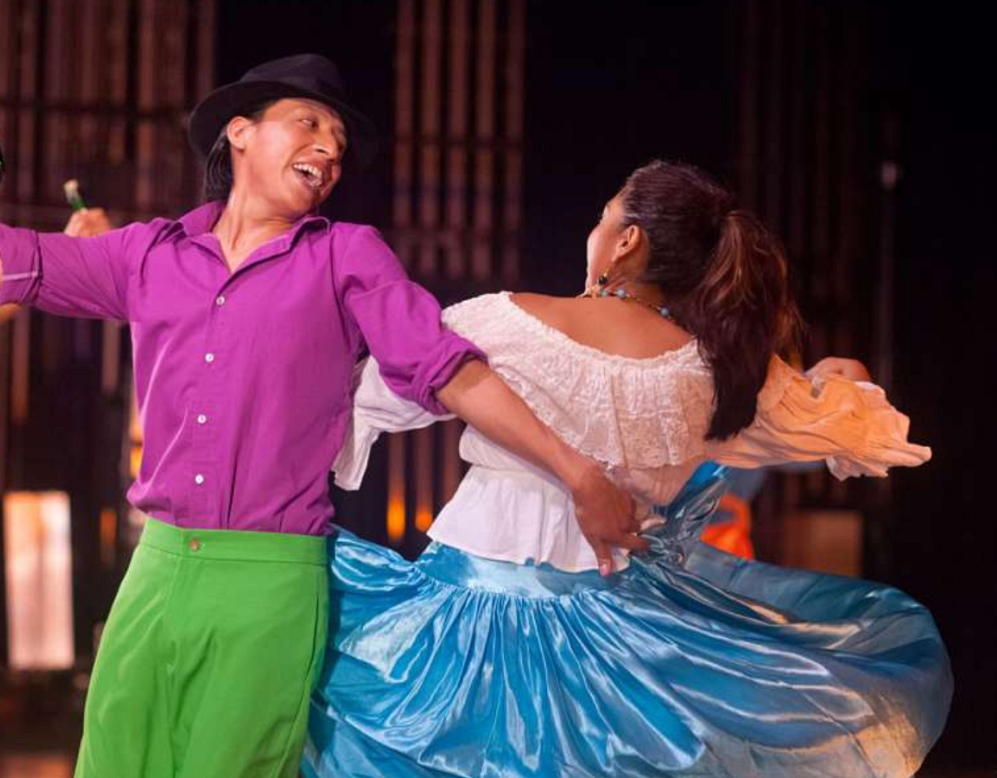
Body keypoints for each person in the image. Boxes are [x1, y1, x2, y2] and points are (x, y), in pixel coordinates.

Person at [0, 26, 637, 777]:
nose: (329, 147)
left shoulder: (346, 254)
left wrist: (578, 473)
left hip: (271, 580)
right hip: (154, 573)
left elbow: (448, 370)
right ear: (240, 133)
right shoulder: (148, 254)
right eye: (309, 122)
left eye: (339, 140)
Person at [304, 160, 950, 778]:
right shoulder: (717, 373)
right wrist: (845, 379)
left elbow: (364, 398)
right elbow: (844, 420)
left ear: (626, 242)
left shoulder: (503, 321)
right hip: (617, 646)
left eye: (603, 217)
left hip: (461, 627)